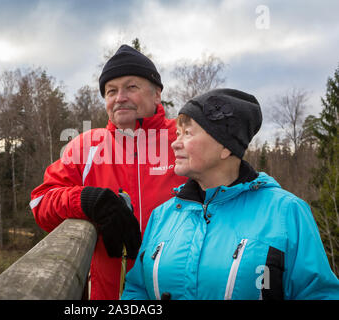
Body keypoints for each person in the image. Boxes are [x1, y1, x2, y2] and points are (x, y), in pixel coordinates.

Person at [122, 88, 339, 300]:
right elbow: (137, 290)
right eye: (178, 133)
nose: (175, 143)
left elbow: (319, 293)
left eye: (187, 133)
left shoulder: (286, 212)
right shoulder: (163, 215)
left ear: (225, 147)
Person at [30, 44, 187, 300]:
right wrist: (86, 200)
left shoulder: (184, 138)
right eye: (111, 91)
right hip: (109, 295)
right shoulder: (86, 146)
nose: (120, 97)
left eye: (131, 87)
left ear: (157, 94)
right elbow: (40, 202)